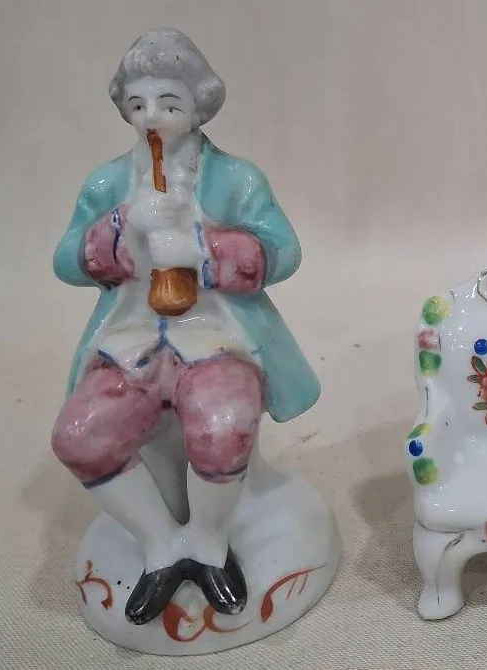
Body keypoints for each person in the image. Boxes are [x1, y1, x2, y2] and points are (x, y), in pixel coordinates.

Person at [51, 28, 320, 625]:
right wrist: (120, 230)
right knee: (79, 436)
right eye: (137, 104)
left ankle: (209, 541)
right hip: (131, 341)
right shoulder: (107, 183)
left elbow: (284, 250)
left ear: (199, 107)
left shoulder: (237, 179)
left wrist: (201, 248)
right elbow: (65, 259)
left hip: (216, 336)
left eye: (169, 103)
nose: (151, 117)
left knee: (224, 425)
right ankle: (160, 544)